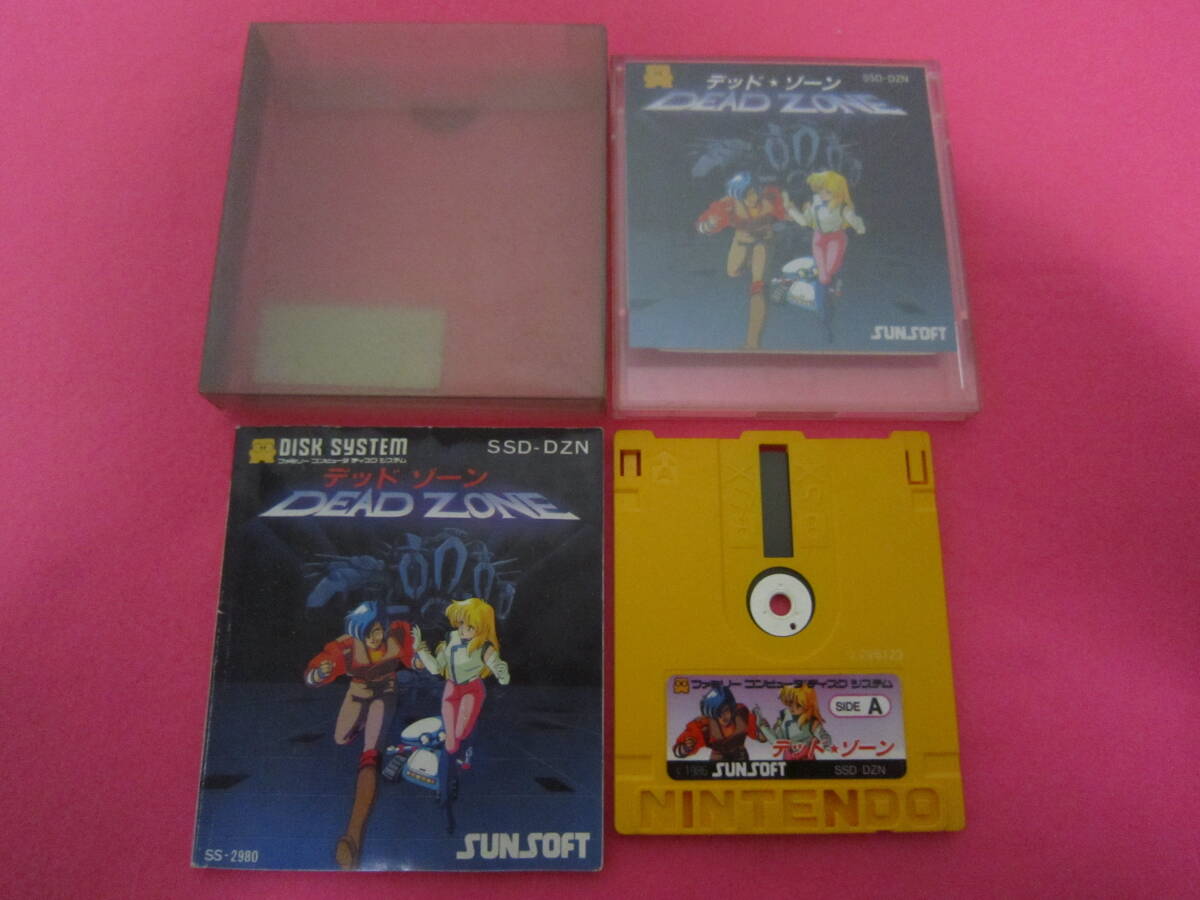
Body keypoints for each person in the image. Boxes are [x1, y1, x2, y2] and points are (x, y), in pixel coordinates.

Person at [305, 600, 420, 869]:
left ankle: (352, 835)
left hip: (385, 693)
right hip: (357, 692)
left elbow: (414, 658)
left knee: (370, 756)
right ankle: (361, 723)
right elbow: (314, 672)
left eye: (378, 630)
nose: (375, 637)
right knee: (341, 738)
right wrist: (318, 674)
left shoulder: (398, 634)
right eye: (369, 633)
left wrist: (420, 660)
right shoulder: (345, 648)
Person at [696, 172, 790, 350]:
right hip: (741, 242)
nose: (752, 198)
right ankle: (751, 265)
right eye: (746, 195)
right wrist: (709, 224)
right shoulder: (728, 204)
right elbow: (703, 225)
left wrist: (790, 212)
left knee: (758, 287)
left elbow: (789, 213)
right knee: (732, 271)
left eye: (754, 192)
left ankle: (752, 342)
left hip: (763, 243)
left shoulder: (771, 198)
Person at [416, 597, 510, 766]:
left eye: (469, 626)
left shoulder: (483, 646)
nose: (462, 630)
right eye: (460, 624)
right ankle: (449, 763)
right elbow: (436, 668)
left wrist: (502, 673)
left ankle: (466, 751)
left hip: (471, 689)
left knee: (461, 732)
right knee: (451, 743)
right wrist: (421, 651)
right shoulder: (450, 639)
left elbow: (497, 667)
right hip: (451, 689)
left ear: (481, 627)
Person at [784, 170, 865, 333]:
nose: (822, 194)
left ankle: (828, 275)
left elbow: (855, 221)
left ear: (837, 191)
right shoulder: (814, 203)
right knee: (823, 277)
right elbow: (804, 222)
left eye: (827, 191)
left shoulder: (842, 207)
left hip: (836, 239)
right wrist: (791, 209)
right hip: (819, 240)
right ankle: (822, 310)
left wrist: (859, 226)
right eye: (820, 189)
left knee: (830, 270)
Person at [673, 683, 764, 762]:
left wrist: (762, 734)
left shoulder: (742, 714)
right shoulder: (704, 725)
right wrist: (685, 748)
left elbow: (757, 733)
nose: (723, 717)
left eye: (725, 710)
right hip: (717, 761)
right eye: (718, 714)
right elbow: (679, 749)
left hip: (741, 759)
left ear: (731, 707)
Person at [755, 683, 833, 760]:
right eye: (790, 703)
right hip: (789, 755)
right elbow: (776, 740)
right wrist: (764, 729)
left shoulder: (811, 721)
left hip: (805, 756)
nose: (793, 708)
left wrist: (826, 743)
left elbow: (823, 735)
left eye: (798, 705)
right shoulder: (784, 717)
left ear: (807, 704)